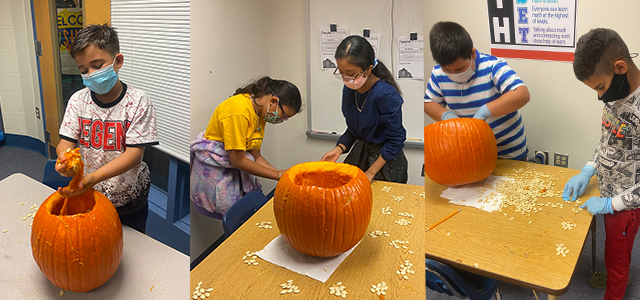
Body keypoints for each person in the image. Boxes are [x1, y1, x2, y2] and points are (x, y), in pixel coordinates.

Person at [55, 24, 158, 233]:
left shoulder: (139, 101)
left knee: (129, 246)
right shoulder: (78, 100)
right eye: (84, 70)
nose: (90, 74)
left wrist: (94, 177)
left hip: (127, 198)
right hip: (91, 193)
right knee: (96, 241)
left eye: (97, 65)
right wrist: (64, 159)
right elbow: (66, 142)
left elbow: (134, 156)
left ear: (117, 61)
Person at [564, 28, 640, 300]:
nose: (599, 96)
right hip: (607, 190)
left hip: (625, 205)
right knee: (612, 250)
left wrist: (612, 205)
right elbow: (608, 140)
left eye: (600, 87)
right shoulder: (614, 96)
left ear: (620, 67)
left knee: (616, 263)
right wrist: (588, 168)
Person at [191, 77, 302, 219]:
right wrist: (278, 174)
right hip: (215, 174)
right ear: (273, 101)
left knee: (248, 216)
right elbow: (238, 160)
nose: (281, 120)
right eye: (284, 115)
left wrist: (282, 177)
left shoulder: (260, 113)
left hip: (235, 169)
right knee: (235, 220)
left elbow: (256, 157)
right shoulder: (238, 111)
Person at [424, 21, 530, 160]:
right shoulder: (438, 74)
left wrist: (484, 111)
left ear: (472, 53)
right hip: (473, 151)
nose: (454, 74)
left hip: (507, 151)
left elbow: (522, 94)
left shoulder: (492, 66)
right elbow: (428, 103)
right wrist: (447, 117)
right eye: (448, 70)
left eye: (460, 69)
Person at [321, 35, 407, 183]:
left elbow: (396, 140)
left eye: (351, 73)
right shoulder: (350, 89)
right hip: (361, 155)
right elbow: (355, 129)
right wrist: (339, 149)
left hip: (386, 162)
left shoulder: (385, 95)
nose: (345, 78)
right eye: (341, 72)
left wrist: (371, 172)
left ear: (368, 69)